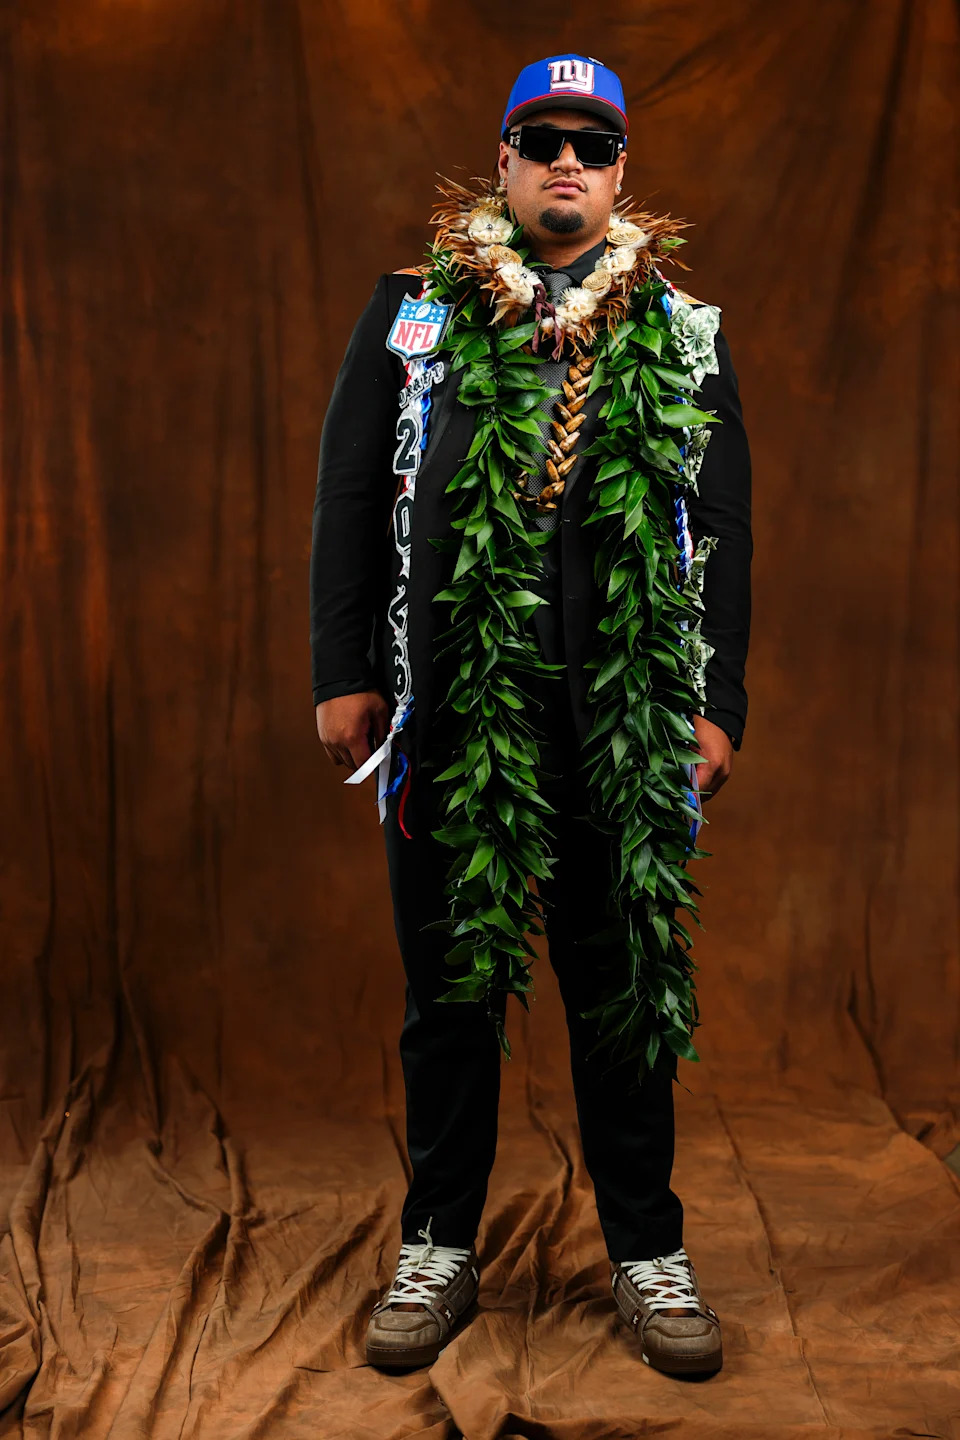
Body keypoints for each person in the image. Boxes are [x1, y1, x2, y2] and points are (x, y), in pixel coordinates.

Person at [309, 54, 751, 1378]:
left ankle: (648, 1253)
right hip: (454, 717)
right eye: (543, 139)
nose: (568, 160)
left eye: (592, 145)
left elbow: (724, 525)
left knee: (622, 992)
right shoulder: (414, 310)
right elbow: (349, 496)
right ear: (502, 161)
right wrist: (342, 670)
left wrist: (718, 702)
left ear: (620, 174)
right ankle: (439, 1244)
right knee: (449, 996)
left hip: (622, 721)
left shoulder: (682, 329)